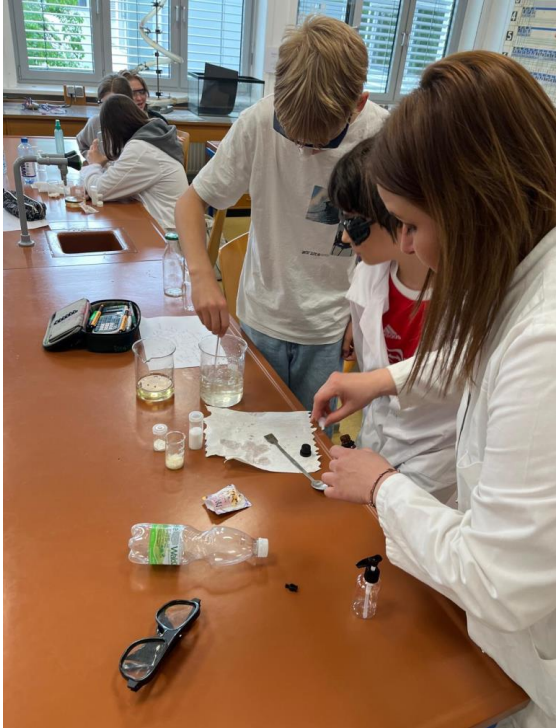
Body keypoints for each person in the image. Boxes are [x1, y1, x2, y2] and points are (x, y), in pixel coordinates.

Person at [312, 51, 556, 728]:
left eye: (413, 225)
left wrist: (382, 485)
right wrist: (382, 379)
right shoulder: (526, 273)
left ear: (473, 204)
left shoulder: (545, 339)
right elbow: (481, 357)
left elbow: (498, 583)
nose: (410, 249)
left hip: (531, 669)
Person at [174, 15, 388, 413]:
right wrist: (201, 276)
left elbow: (389, 242)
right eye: (292, 135)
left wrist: (363, 312)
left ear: (358, 105)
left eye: (321, 142)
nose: (305, 152)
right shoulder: (258, 121)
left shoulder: (383, 136)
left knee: (314, 436)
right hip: (263, 317)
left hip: (331, 325)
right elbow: (190, 202)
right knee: (252, 429)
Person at [328, 138, 457, 503]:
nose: (344, 236)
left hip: (439, 460)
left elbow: (464, 368)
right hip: (379, 443)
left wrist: (376, 382)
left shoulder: (464, 294)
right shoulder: (367, 276)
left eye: (354, 223)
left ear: (397, 214)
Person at [81, 94, 187, 230]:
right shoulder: (148, 137)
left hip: (168, 234)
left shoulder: (141, 149)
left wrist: (94, 164)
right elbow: (116, 181)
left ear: (113, 130)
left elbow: (99, 191)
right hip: (167, 225)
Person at [76, 74, 133, 154]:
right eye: (104, 103)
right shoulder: (95, 122)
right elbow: (82, 145)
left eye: (113, 104)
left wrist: (104, 159)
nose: (109, 109)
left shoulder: (135, 125)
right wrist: (91, 158)